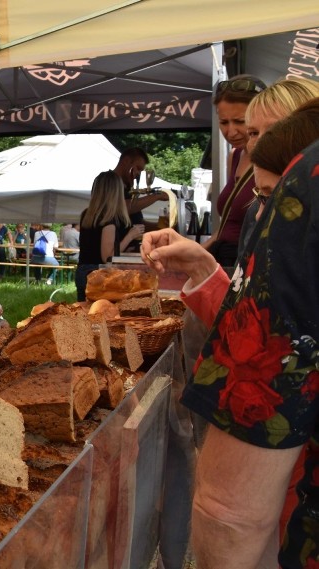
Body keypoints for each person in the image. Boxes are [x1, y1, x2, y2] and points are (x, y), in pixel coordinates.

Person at [141, 136, 319, 569]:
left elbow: (230, 513)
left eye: (260, 130)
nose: (245, 141)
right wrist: (205, 269)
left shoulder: (308, 186)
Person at [237, 78, 319, 257]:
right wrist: (204, 270)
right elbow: (246, 282)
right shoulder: (258, 206)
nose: (260, 143)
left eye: (275, 130)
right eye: (253, 133)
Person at [202, 74, 267, 268]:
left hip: (248, 262)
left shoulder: (271, 159)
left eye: (240, 121)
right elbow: (227, 226)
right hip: (225, 260)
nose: (230, 132)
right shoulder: (235, 155)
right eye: (224, 122)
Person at [74, 170, 145, 301]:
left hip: (82, 271)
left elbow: (93, 246)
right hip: (97, 275)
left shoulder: (87, 213)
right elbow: (107, 257)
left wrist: (122, 248)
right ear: (116, 192)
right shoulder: (108, 219)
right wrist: (130, 236)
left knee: (84, 314)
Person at [113, 147, 169, 236]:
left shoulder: (127, 187)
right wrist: (157, 195)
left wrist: (163, 228)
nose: (138, 173)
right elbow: (121, 208)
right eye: (138, 168)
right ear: (126, 161)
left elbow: (139, 224)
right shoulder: (106, 181)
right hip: (116, 247)